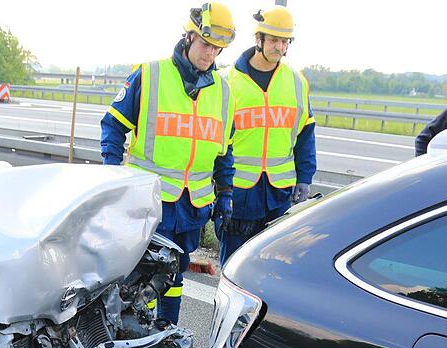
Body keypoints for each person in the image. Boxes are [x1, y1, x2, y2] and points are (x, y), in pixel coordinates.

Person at [101, 2, 236, 325]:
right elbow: (113, 126)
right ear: (188, 37)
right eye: (205, 44)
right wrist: (112, 178)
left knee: (175, 275)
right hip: (148, 202)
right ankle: (132, 339)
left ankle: (167, 330)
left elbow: (224, 152)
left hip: (192, 206)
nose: (209, 55)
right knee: (140, 276)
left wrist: (226, 193)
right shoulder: (150, 76)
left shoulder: (224, 92)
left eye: (216, 49)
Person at [218, 6, 315, 265]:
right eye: (273, 40)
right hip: (238, 194)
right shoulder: (226, 81)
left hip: (278, 194)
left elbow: (306, 134)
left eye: (285, 41)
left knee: (271, 267)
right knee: (234, 265)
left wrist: (305, 178)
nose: (279, 47)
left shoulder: (296, 82)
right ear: (258, 39)